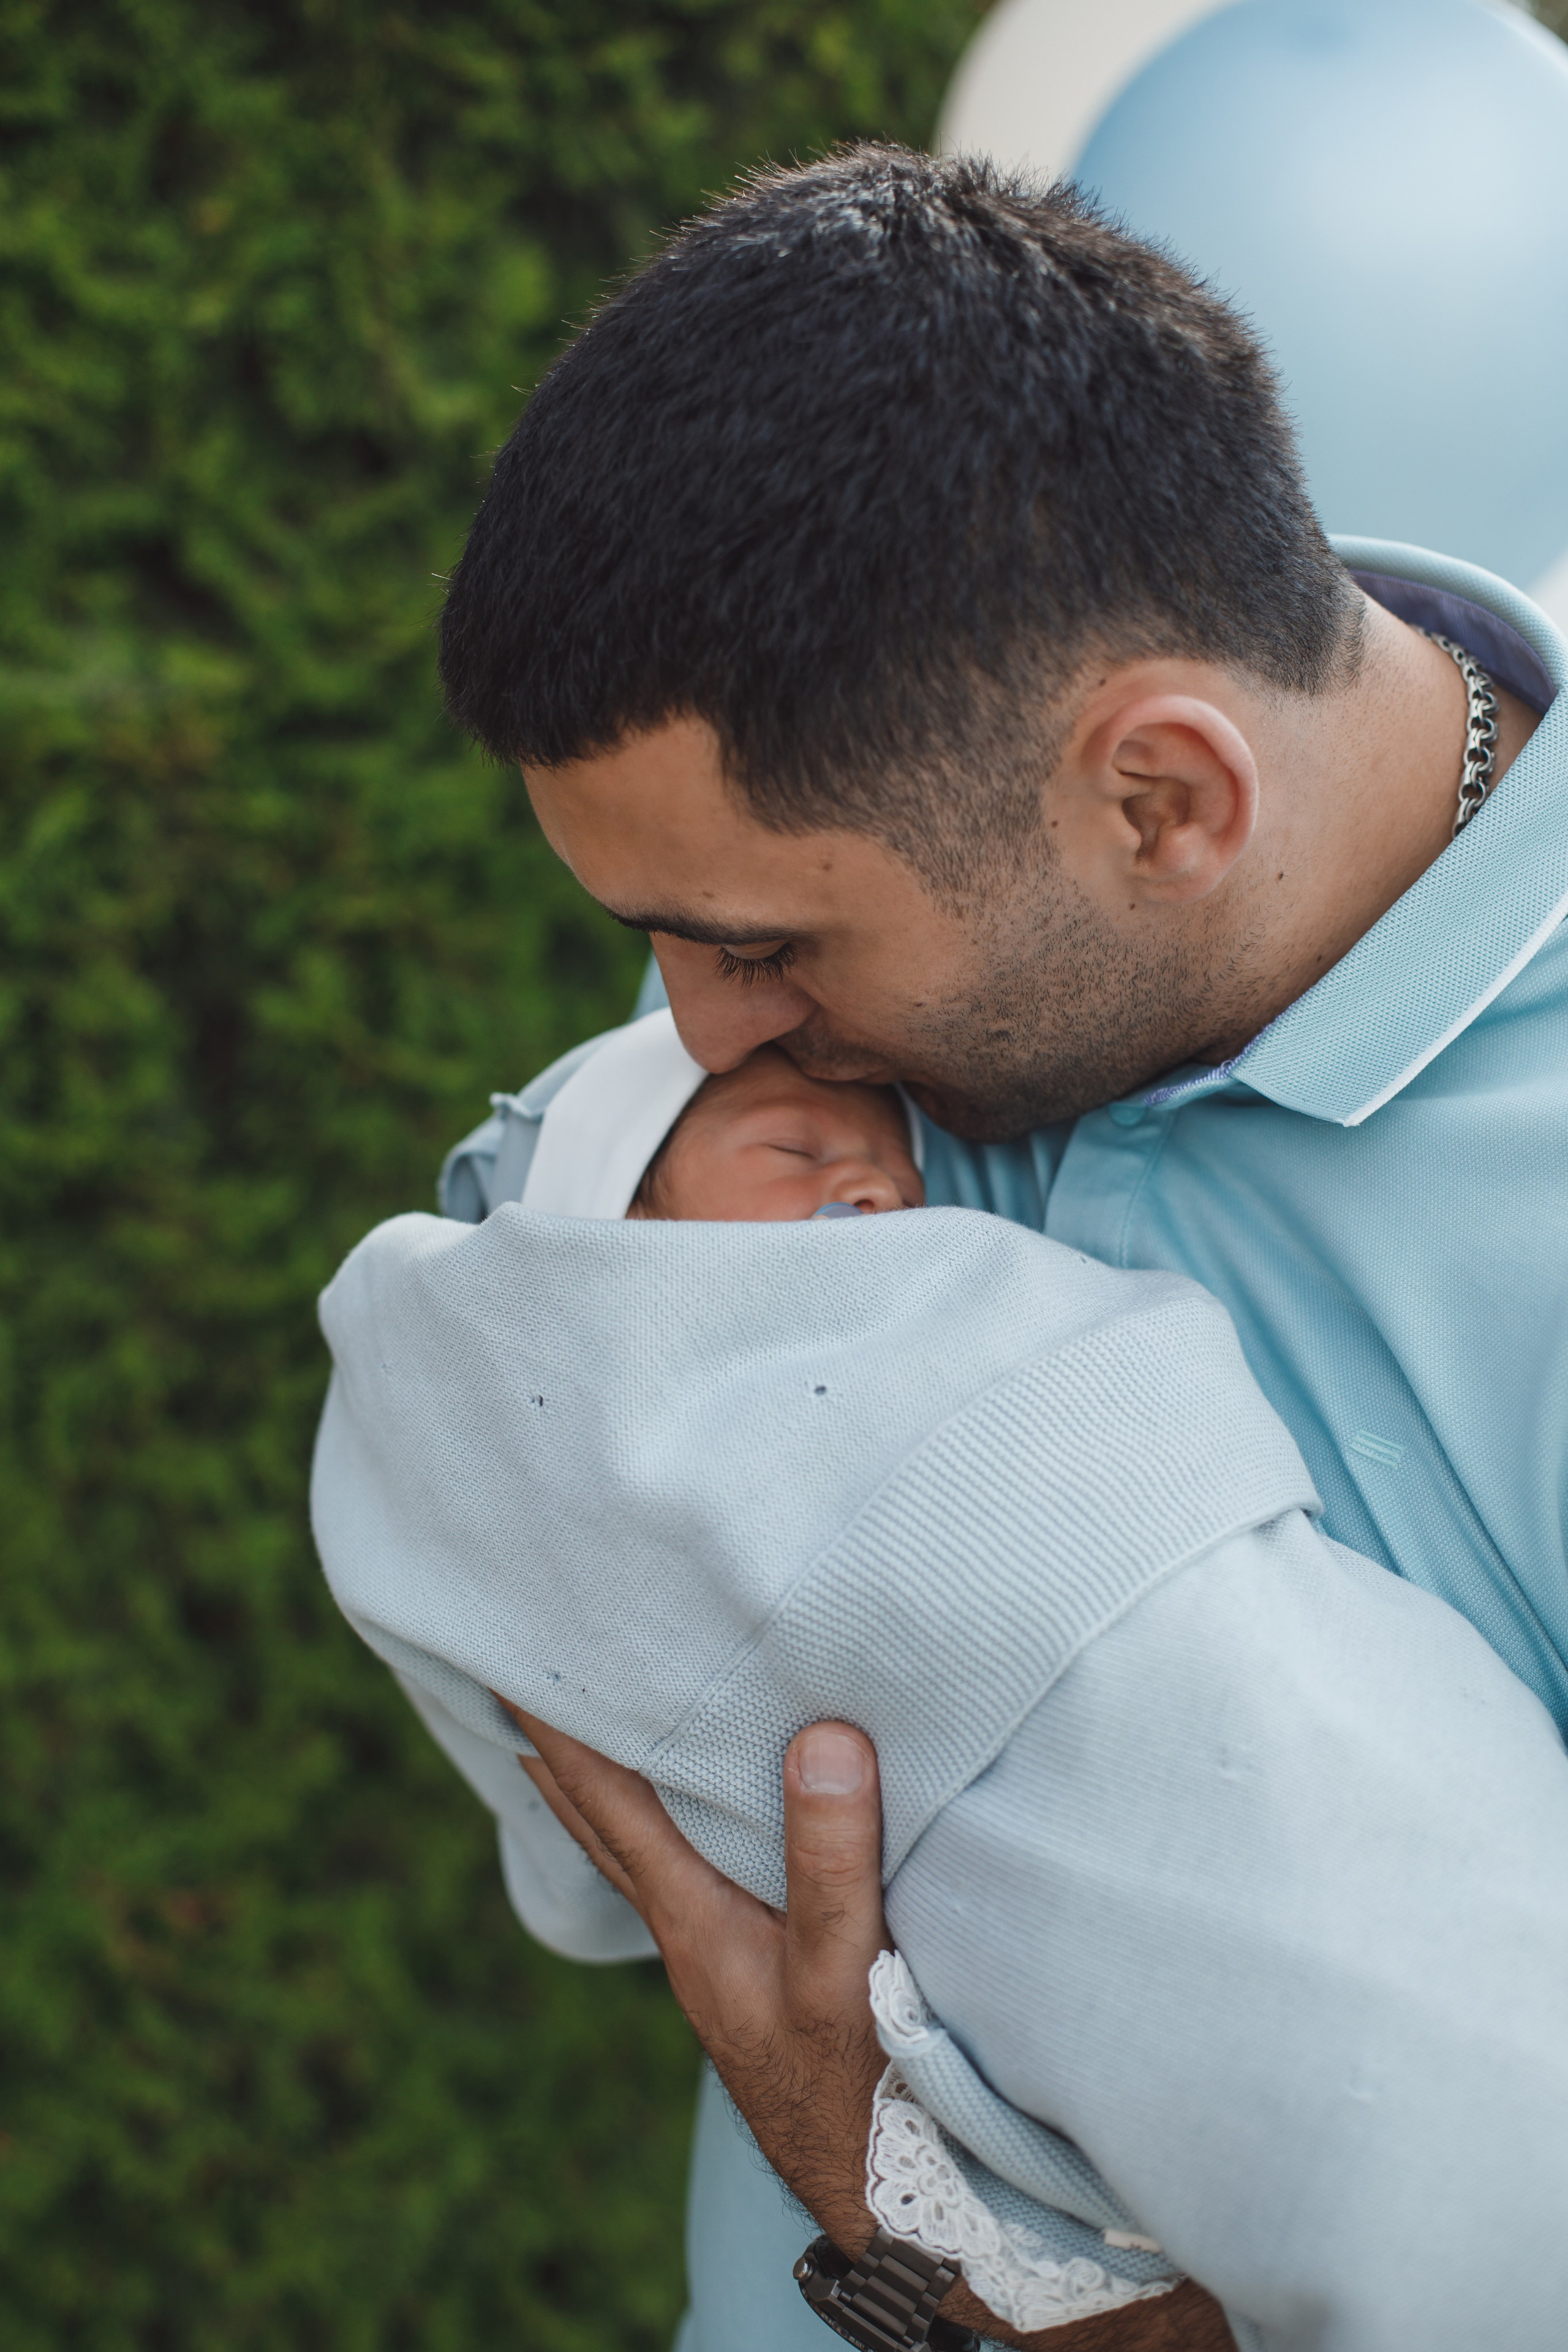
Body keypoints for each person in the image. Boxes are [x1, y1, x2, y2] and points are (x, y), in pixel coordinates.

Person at [425, 145, 1568, 2350]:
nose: (686, 1032)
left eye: (755, 944)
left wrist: (902, 2213)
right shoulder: (844, 1071)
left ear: (1165, 803)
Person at [314, 1006, 1568, 2352]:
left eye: (888, 1173)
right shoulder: (765, 982)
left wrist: (909, 2213)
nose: (869, 1185)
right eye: (795, 1149)